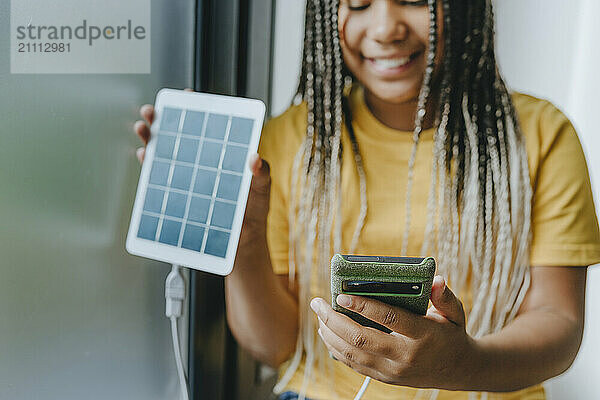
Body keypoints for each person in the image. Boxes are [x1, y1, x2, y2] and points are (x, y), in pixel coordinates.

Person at [134, 0, 600, 399]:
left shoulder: (539, 137)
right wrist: (245, 243)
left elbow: (558, 321)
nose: (385, 29)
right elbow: (275, 345)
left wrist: (461, 364)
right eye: (357, 4)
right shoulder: (290, 142)